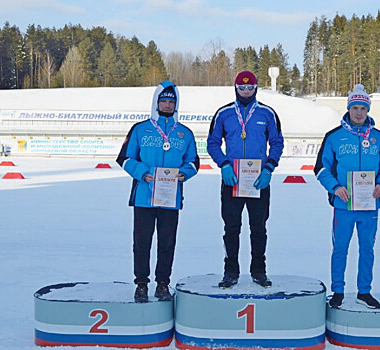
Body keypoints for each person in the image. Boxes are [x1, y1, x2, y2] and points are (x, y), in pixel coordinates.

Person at [116, 80, 199, 302]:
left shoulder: (184, 133)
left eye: (171, 102)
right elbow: (124, 158)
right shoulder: (140, 129)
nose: (167, 105)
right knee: (142, 243)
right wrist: (143, 173)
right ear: (156, 103)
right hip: (144, 196)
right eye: (163, 101)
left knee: (167, 242)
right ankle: (141, 284)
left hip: (170, 198)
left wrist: (184, 174)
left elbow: (194, 162)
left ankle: (163, 283)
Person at [314, 84, 380, 309]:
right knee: (340, 249)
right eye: (355, 108)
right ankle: (337, 290)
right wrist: (335, 187)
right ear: (348, 109)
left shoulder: (378, 137)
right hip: (343, 205)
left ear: (368, 110)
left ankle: (364, 291)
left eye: (363, 108)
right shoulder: (334, 137)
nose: (358, 112)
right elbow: (321, 168)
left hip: (369, 206)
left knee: (367, 249)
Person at [207, 71, 284, 288]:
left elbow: (277, 142)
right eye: (242, 87)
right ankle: (230, 271)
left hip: (259, 180)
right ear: (235, 88)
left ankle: (259, 270)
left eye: (250, 88)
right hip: (232, 180)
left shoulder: (267, 113)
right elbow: (212, 143)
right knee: (231, 227)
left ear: (257, 88)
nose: (246, 91)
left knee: (258, 227)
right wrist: (223, 164)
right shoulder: (223, 114)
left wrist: (269, 167)